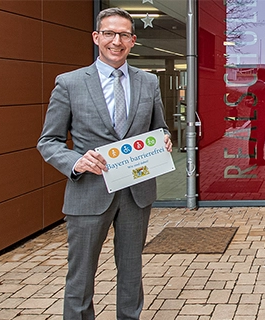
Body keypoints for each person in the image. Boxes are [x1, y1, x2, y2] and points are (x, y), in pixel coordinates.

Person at [37, 8, 172, 320]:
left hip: (136, 191)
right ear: (97, 37)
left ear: (133, 41)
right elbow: (48, 141)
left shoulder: (148, 82)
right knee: (81, 275)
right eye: (110, 33)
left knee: (131, 271)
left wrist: (164, 139)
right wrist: (76, 160)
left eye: (124, 35)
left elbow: (160, 128)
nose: (117, 41)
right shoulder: (69, 83)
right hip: (89, 191)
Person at [247, 68, 265, 165]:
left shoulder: (251, 87)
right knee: (261, 137)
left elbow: (248, 101)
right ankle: (260, 159)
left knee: (252, 136)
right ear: (264, 76)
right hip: (262, 115)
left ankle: (252, 158)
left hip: (253, 114)